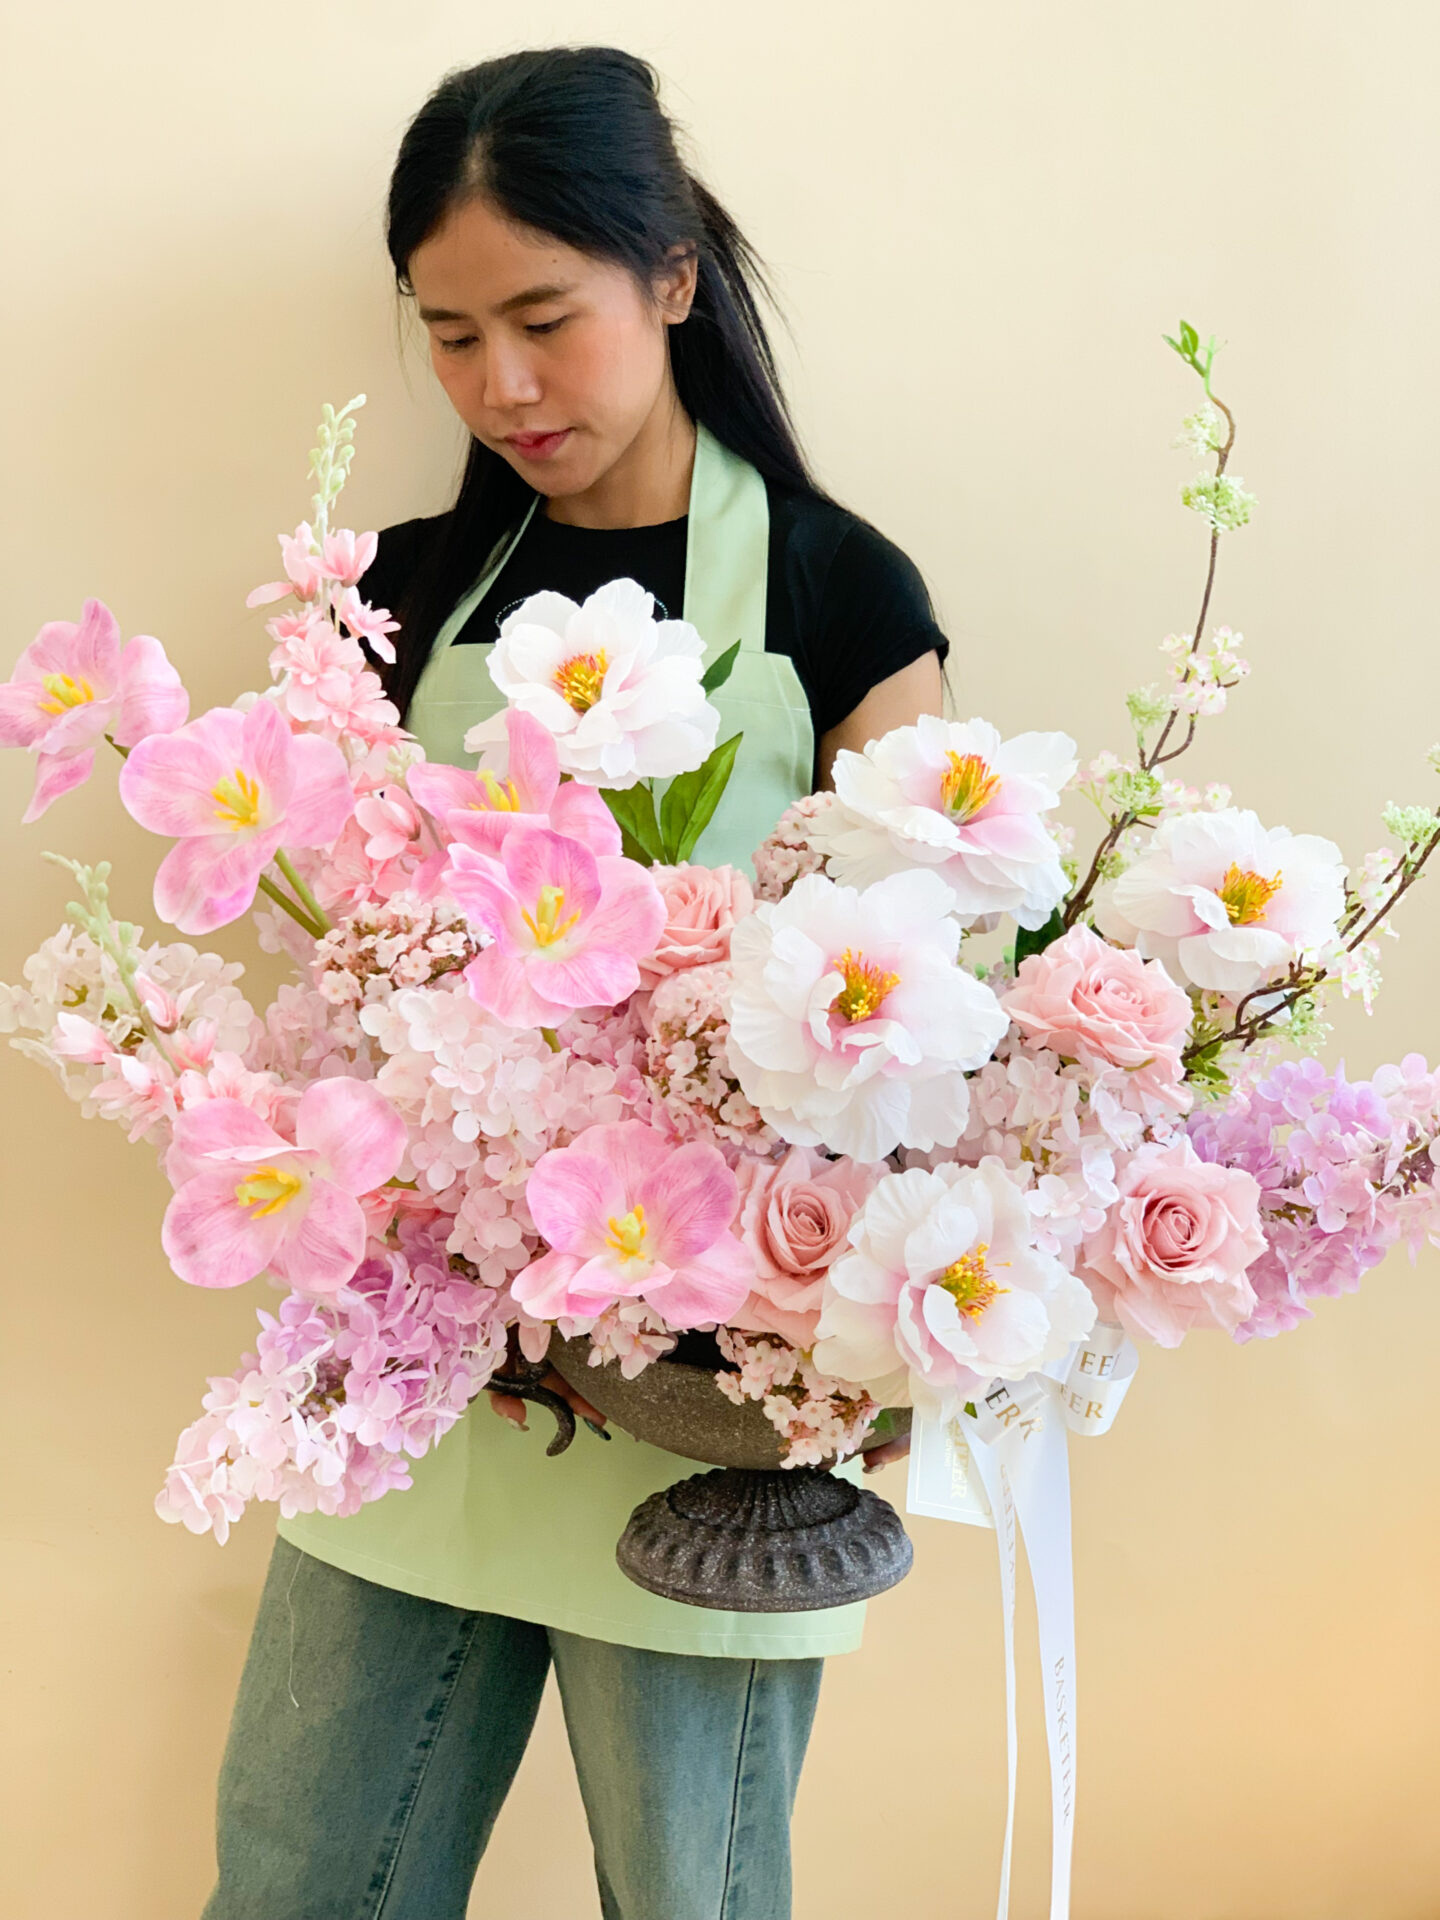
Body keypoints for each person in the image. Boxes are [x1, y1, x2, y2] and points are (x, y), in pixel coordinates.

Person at [205, 45, 946, 1920]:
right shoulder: (401, 593)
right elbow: (339, 975)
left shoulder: (835, 593)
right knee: (301, 1875)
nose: (502, 386)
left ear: (674, 275)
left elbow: (929, 1007)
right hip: (425, 1376)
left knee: (687, 1900)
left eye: (546, 319)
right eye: (451, 337)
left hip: (694, 1398)